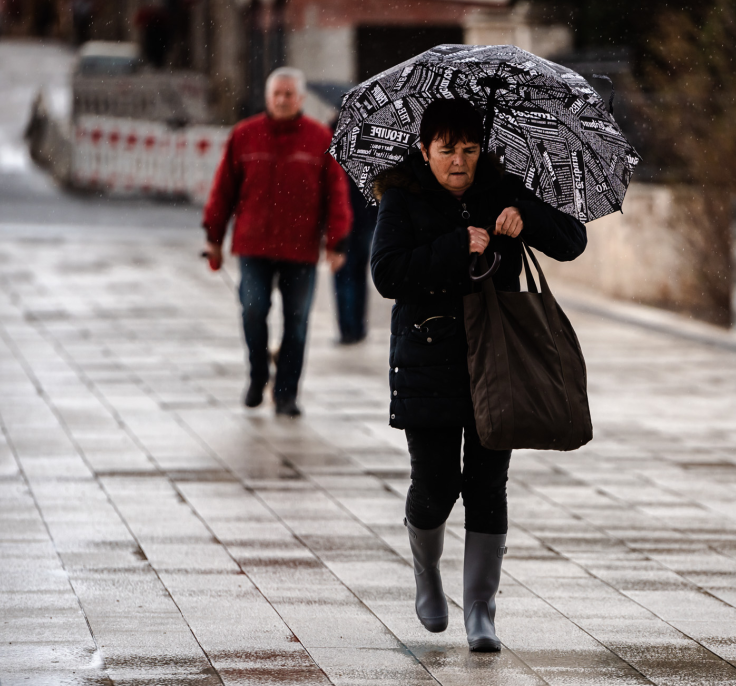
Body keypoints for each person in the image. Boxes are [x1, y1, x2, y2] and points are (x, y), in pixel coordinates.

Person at [370, 98, 587, 651]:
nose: (460, 162)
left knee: (488, 484)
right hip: (428, 358)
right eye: (447, 151)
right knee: (436, 483)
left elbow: (572, 240)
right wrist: (451, 246)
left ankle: (481, 611)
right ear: (424, 150)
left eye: (469, 149)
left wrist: (527, 218)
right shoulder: (402, 197)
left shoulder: (500, 190)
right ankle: (426, 575)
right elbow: (387, 273)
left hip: (497, 360)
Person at [203, 67, 352, 417]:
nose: (283, 100)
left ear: (300, 99)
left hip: (299, 250)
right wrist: (214, 237)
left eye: (289, 94)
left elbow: (336, 194)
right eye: (277, 94)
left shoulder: (319, 139)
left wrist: (337, 241)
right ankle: (258, 375)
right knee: (253, 311)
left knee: (297, 323)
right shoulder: (245, 135)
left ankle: (286, 393)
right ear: (268, 97)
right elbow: (223, 191)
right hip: (253, 245)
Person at [333, 173, 377, 344]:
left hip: (347, 221)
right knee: (358, 275)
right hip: (364, 220)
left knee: (345, 275)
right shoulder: (369, 155)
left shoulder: (341, 156)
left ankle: (348, 328)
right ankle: (357, 327)